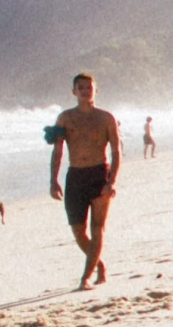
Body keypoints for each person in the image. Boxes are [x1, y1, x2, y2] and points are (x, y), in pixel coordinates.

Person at [48, 73, 120, 290]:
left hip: (99, 174)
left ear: (95, 90)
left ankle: (85, 278)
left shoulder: (106, 118)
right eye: (80, 87)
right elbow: (57, 151)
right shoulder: (65, 118)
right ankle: (99, 265)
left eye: (89, 87)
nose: (85, 91)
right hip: (75, 176)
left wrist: (111, 181)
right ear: (74, 91)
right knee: (78, 230)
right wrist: (53, 180)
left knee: (97, 227)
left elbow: (117, 151)